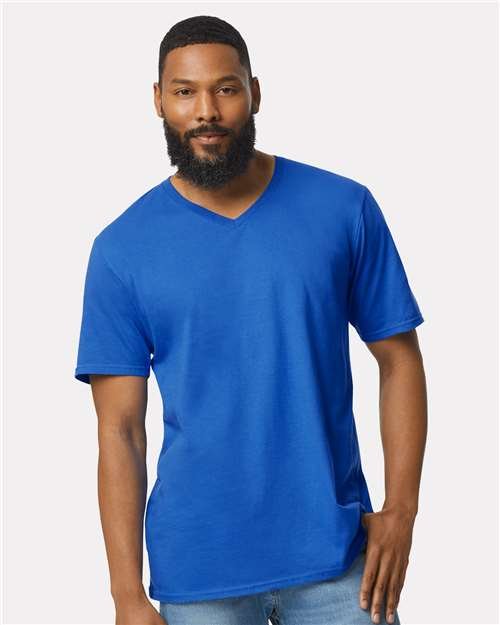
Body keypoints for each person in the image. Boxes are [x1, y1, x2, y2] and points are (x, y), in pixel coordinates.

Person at [74, 14, 427, 625]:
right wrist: (126, 593)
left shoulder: (343, 207)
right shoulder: (121, 249)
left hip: (339, 561)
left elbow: (399, 361)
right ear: (159, 101)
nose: (206, 111)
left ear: (254, 92)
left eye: (225, 88)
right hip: (198, 574)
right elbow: (120, 431)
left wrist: (402, 511)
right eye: (184, 92)